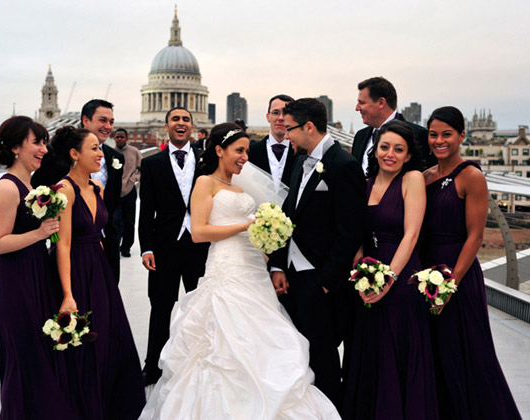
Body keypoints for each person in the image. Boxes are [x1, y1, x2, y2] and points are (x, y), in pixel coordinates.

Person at [144, 123, 340, 419]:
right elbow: (199, 232)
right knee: (221, 341)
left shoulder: (240, 187)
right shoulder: (205, 183)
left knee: (264, 335)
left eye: (247, 151)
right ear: (219, 150)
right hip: (225, 268)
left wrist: (266, 238)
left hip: (253, 269)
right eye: (239, 151)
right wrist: (246, 225)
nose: (245, 157)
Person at [423, 106, 521, 419]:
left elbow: (475, 237)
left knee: (466, 354)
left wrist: (450, 284)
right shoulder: (424, 177)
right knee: (434, 355)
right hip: (426, 275)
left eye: (447, 134)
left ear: (462, 136)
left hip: (457, 278)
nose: (439, 141)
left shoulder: (472, 177)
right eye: (433, 134)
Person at [269, 98, 366, 409]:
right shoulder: (300, 162)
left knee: (324, 359)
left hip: (322, 280)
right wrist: (278, 266)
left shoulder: (344, 165)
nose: (286, 136)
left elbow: (350, 231)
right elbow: (288, 218)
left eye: (290, 129)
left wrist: (327, 281)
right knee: (298, 352)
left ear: (308, 126)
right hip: (293, 277)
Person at [342, 121, 438, 419]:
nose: (391, 154)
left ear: (409, 155)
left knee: (395, 351)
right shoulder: (366, 183)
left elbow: (411, 235)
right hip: (367, 277)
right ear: (376, 150)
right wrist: (359, 264)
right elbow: (356, 232)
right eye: (385, 147)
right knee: (368, 350)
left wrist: (388, 280)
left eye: (399, 149)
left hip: (401, 278)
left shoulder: (412, 180)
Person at [0, 116, 80, 419]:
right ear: (15, 147)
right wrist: (40, 232)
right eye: (36, 142)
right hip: (12, 283)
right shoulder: (8, 187)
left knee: (38, 358)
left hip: (35, 276)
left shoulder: (32, 184)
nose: (43, 149)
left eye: (43, 142)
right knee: (21, 361)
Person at [52, 126, 145, 419]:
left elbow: (101, 231)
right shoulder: (63, 190)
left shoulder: (98, 188)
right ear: (74, 154)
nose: (100, 154)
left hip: (99, 267)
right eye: (93, 148)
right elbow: (62, 244)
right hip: (74, 269)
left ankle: (109, 405)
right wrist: (67, 294)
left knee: (107, 337)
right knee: (81, 342)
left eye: (99, 148)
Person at [138, 107, 209, 386]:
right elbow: (146, 212)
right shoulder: (152, 164)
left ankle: (199, 363)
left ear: (192, 126)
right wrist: (146, 248)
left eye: (186, 120)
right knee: (160, 307)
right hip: (164, 247)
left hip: (199, 246)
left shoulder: (206, 161)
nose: (181, 124)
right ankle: (152, 365)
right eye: (175, 120)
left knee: (200, 307)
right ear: (166, 126)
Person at [352, 77, 434, 175]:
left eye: (362, 103)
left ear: (381, 103)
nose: (357, 108)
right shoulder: (360, 136)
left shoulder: (418, 135)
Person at [81, 99, 125, 283]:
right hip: (76, 242)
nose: (108, 126)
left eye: (111, 122)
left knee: (109, 293)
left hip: (108, 238)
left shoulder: (116, 157)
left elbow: (113, 200)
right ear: (85, 121)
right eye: (102, 120)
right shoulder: (61, 154)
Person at [248, 94, 296, 188]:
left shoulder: (303, 154)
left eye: (286, 113)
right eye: (276, 112)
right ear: (268, 117)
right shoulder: (251, 151)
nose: (281, 118)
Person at [113, 128, 142, 258]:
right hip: (115, 191)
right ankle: (115, 245)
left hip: (130, 190)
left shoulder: (134, 152)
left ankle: (126, 247)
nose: (119, 139)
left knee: (129, 221)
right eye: (117, 137)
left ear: (127, 138)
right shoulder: (110, 152)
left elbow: (142, 168)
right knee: (115, 220)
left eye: (122, 137)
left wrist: (134, 179)